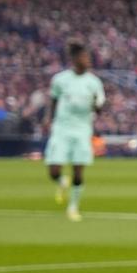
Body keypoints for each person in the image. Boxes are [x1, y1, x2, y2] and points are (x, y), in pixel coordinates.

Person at [43, 42, 106, 222]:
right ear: (74, 59)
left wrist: (95, 103)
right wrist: (48, 118)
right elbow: (54, 99)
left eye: (88, 57)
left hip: (82, 129)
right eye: (84, 57)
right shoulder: (60, 79)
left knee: (78, 170)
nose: (88, 61)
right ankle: (62, 181)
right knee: (54, 170)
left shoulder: (94, 83)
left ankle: (73, 207)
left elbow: (100, 108)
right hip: (61, 128)